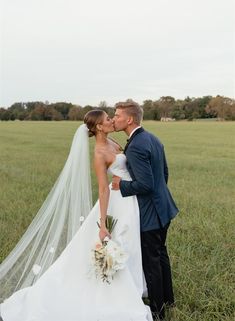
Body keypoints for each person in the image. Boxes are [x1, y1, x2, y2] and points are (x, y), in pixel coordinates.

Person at [0, 110, 152, 321]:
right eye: (108, 119)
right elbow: (102, 189)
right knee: (122, 243)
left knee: (130, 244)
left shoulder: (113, 141)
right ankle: (122, 294)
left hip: (129, 196)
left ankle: (134, 287)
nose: (111, 121)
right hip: (117, 201)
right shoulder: (99, 153)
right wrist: (102, 224)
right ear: (99, 126)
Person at [112, 101, 179, 320]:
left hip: (151, 213)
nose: (114, 119)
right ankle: (169, 300)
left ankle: (157, 311)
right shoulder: (152, 138)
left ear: (129, 119)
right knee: (161, 254)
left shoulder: (138, 145)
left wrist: (120, 185)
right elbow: (164, 174)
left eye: (117, 115)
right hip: (164, 207)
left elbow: (146, 184)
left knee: (151, 261)